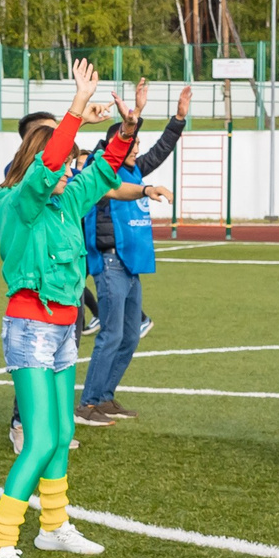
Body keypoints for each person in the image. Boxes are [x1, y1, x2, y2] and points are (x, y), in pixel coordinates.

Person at [0, 60, 138, 558]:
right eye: (66, 159)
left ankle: (53, 525)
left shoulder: (68, 199)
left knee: (64, 428)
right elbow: (48, 169)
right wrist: (74, 110)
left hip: (62, 329)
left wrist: (126, 129)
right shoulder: (18, 201)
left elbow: (104, 170)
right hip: (29, 327)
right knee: (43, 436)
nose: (73, 167)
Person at [76, 82, 184, 425]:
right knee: (111, 333)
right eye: (131, 143)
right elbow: (97, 157)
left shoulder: (135, 170)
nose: (137, 150)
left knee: (130, 335)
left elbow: (160, 150)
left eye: (136, 144)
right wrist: (128, 122)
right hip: (109, 261)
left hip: (130, 263)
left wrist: (178, 119)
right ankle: (87, 404)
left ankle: (105, 397)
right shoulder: (100, 172)